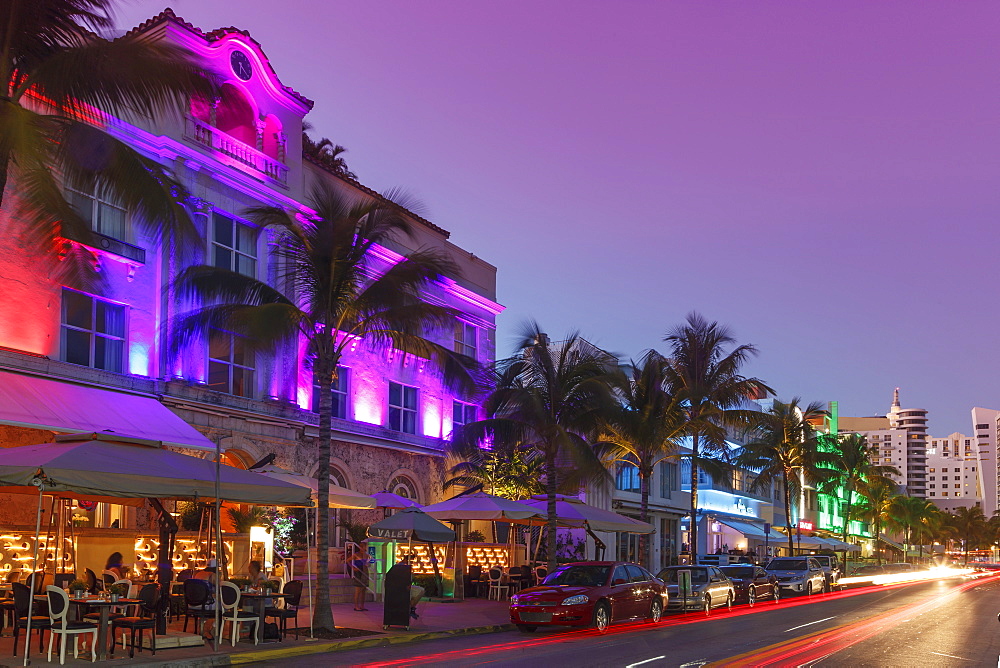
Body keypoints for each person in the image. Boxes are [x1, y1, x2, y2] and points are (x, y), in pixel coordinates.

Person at [192, 559, 218, 640]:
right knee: (224, 607)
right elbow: (220, 587)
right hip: (205, 604)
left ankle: (202, 628)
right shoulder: (212, 575)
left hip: (193, 603)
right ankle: (214, 628)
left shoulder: (197, 574)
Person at [348, 546, 369, 611]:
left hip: (365, 572)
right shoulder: (356, 554)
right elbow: (348, 560)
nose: (364, 548)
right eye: (363, 547)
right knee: (358, 590)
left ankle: (362, 605)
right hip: (358, 572)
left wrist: (368, 564)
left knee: (363, 591)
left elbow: (369, 563)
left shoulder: (366, 555)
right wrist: (353, 568)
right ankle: (356, 606)